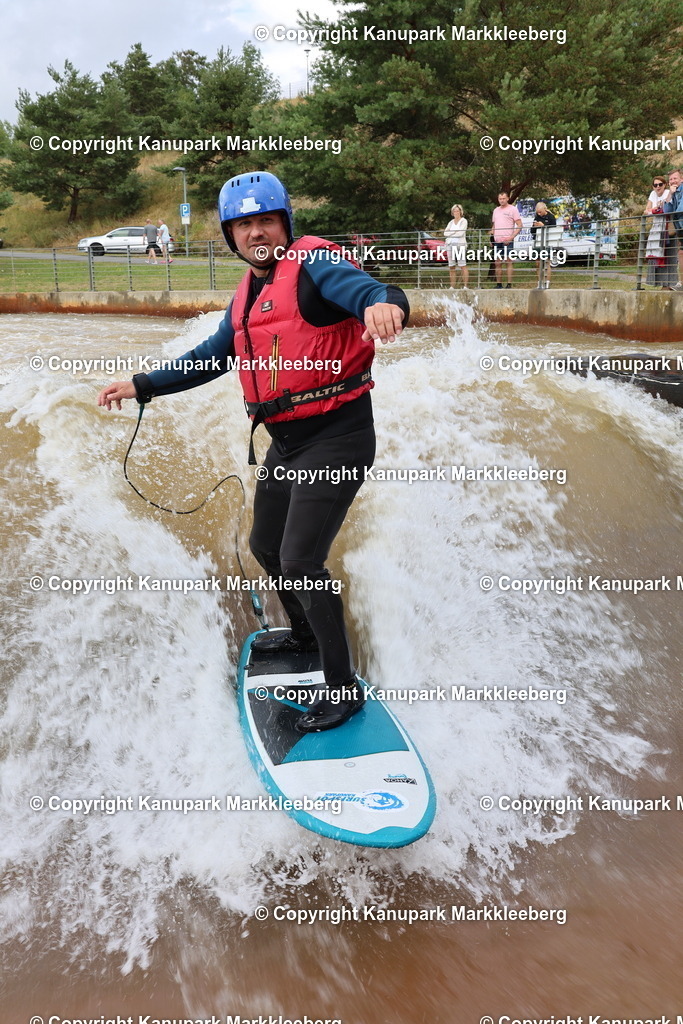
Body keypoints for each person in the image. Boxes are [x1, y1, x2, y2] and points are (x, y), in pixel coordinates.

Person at [98, 171, 409, 733]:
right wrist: (142, 384)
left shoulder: (315, 264)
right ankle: (305, 633)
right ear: (230, 235)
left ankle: (343, 689)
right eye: (244, 225)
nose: (257, 232)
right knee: (265, 545)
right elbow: (213, 355)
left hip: (338, 435)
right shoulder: (247, 295)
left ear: (285, 223)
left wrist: (386, 304)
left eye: (266, 220)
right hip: (288, 442)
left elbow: (367, 292)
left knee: (300, 561)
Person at [644, 176, 677, 289]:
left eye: (660, 184)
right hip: (656, 229)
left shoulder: (669, 192)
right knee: (656, 255)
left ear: (665, 185)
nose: (658, 187)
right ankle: (659, 283)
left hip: (668, 227)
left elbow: (668, 207)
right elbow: (646, 210)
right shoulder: (652, 194)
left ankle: (669, 284)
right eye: (655, 185)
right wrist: (655, 210)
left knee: (669, 255)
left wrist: (654, 211)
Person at [491, 192, 522, 288]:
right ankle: (499, 284)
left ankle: (509, 284)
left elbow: (520, 225)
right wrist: (491, 238)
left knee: (508, 261)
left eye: (504, 198)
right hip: (497, 240)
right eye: (500, 198)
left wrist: (511, 238)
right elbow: (494, 225)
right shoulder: (496, 210)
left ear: (507, 198)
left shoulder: (513, 209)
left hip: (508, 240)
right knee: (497, 263)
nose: (502, 200)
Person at [663, 169, 683, 290]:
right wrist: (670, 194)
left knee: (681, 253)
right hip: (680, 227)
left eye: (675, 178)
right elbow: (667, 211)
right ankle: (682, 282)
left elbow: (679, 210)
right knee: (681, 253)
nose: (673, 181)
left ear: (681, 179)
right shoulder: (674, 192)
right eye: (670, 179)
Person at [530, 202, 557, 289]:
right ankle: (539, 282)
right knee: (538, 263)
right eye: (537, 212)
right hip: (538, 241)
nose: (539, 214)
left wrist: (544, 226)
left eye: (540, 212)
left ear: (545, 210)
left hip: (547, 242)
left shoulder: (551, 217)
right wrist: (535, 226)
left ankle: (547, 282)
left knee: (547, 262)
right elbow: (532, 231)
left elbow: (554, 229)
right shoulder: (537, 217)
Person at [443, 204, 469, 288]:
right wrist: (454, 232)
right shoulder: (451, 222)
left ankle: (465, 286)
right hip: (450, 245)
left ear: (461, 212)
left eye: (457, 211)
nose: (456, 212)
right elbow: (445, 233)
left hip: (460, 246)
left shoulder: (463, 221)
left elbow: (461, 233)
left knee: (462, 265)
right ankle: (452, 286)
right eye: (454, 211)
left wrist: (451, 233)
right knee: (451, 266)